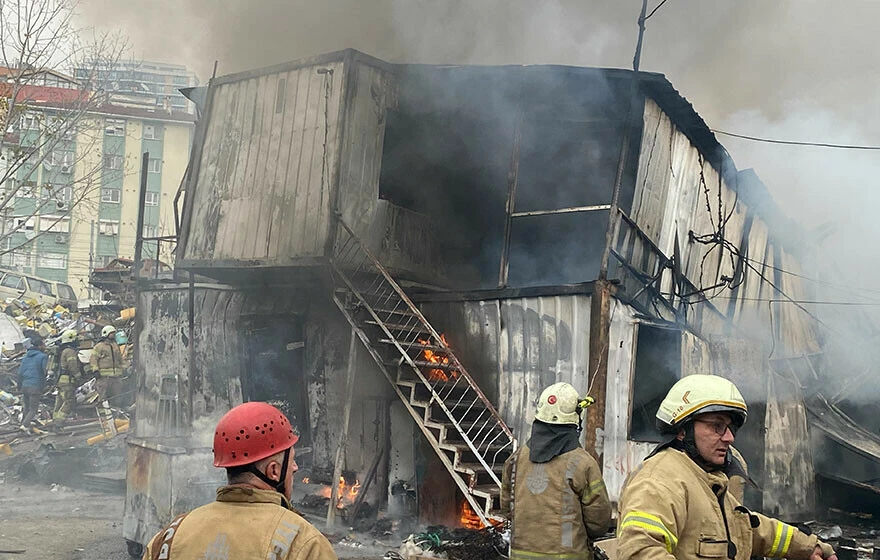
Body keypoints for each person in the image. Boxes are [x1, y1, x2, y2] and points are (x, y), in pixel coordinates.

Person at [617, 374, 837, 560]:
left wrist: (807, 546)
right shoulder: (660, 481)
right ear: (683, 430)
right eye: (717, 426)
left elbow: (749, 528)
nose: (730, 437)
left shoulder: (706, 480)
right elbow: (639, 551)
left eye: (730, 428)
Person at [142, 402, 337, 560]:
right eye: (293, 460)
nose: (295, 468)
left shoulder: (171, 535)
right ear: (274, 471)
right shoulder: (303, 542)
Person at [501, 382, 612, 560]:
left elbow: (507, 508)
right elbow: (598, 522)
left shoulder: (515, 459)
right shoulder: (583, 464)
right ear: (574, 421)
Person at [18, 336, 48, 432]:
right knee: (33, 408)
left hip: (25, 385)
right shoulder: (42, 356)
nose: (45, 346)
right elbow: (45, 371)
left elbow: (20, 373)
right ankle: (25, 425)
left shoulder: (25, 357)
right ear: (39, 346)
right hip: (35, 385)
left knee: (26, 406)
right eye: (44, 344)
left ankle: (24, 421)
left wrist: (19, 385)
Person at [89, 325, 124, 406]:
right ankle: (104, 417)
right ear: (106, 334)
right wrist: (95, 370)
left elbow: (120, 360)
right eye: (112, 333)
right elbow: (93, 359)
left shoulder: (115, 346)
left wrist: (125, 368)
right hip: (103, 378)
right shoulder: (99, 346)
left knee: (117, 398)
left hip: (115, 378)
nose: (114, 335)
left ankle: (117, 415)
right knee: (103, 398)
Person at [53, 329, 83, 421]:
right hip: (67, 381)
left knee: (60, 402)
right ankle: (59, 422)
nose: (78, 340)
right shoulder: (70, 351)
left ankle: (55, 420)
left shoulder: (63, 351)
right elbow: (72, 366)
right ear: (71, 339)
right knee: (69, 401)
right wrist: (79, 377)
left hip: (60, 380)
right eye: (76, 338)